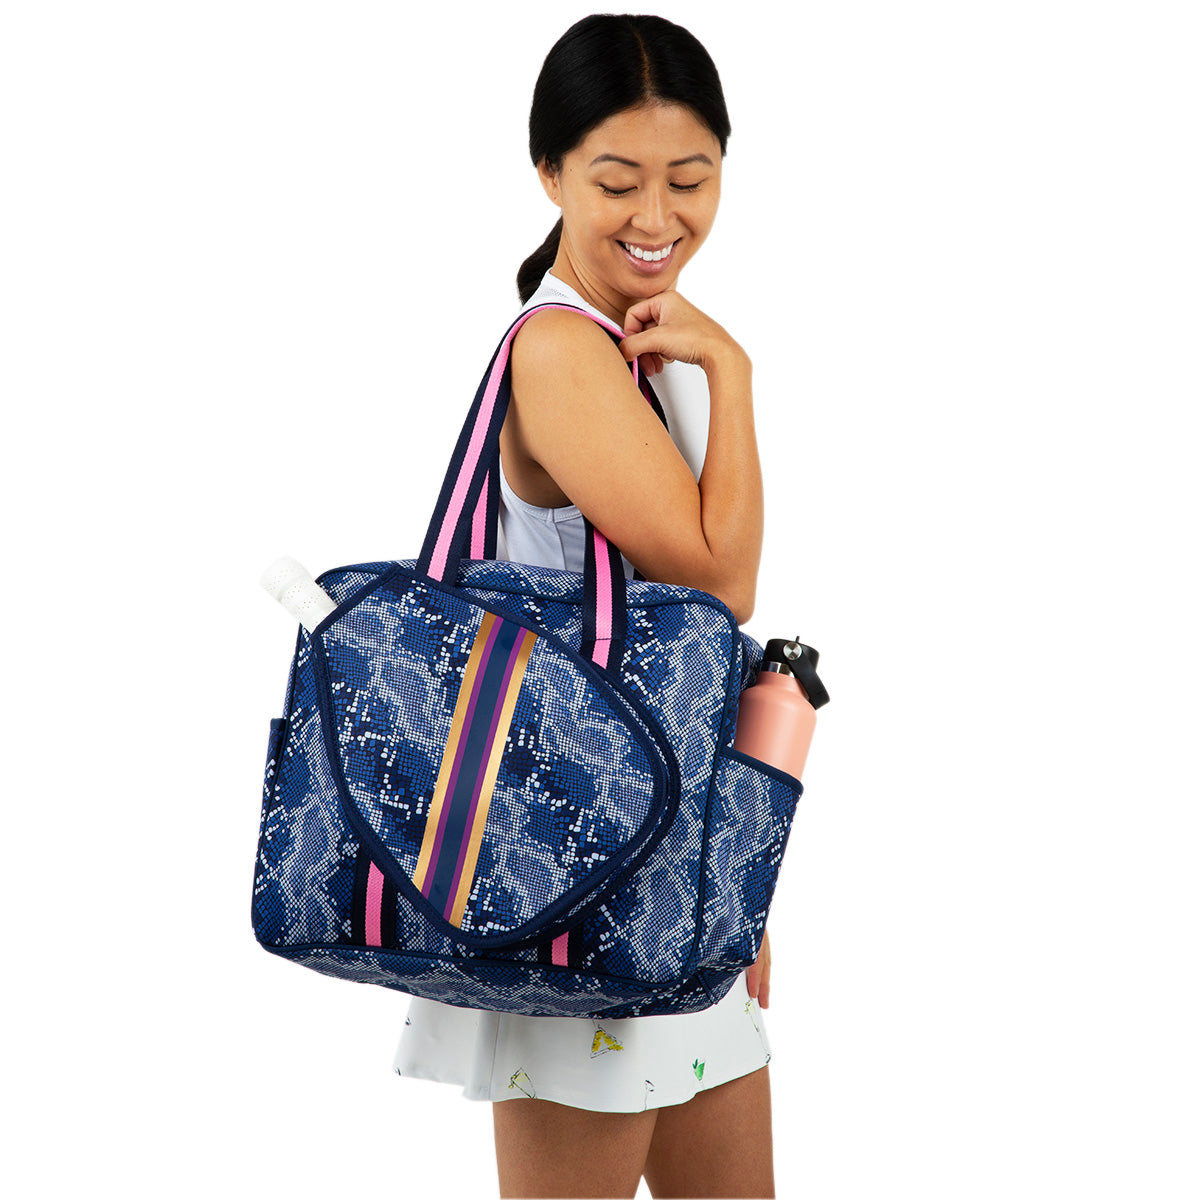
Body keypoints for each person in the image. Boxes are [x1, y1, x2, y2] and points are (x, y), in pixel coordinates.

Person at [394, 14, 772, 1198]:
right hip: (571, 876)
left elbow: (694, 643)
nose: (657, 217)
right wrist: (736, 373)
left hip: (666, 861)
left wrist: (733, 878)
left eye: (690, 178)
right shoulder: (563, 351)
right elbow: (722, 580)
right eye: (617, 180)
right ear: (549, 172)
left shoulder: (632, 348)